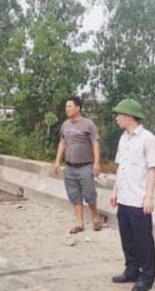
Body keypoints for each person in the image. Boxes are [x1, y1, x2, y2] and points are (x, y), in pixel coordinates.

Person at [110, 99, 155, 291]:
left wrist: (149, 197)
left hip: (139, 200)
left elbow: (153, 169)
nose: (117, 118)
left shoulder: (148, 139)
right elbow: (121, 166)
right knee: (127, 238)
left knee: (143, 240)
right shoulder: (124, 138)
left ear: (129, 117)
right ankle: (131, 270)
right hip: (124, 198)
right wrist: (115, 190)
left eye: (119, 115)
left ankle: (147, 277)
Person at [54, 96, 102, 234]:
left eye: (69, 106)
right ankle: (79, 223)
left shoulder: (88, 124)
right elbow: (62, 143)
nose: (66, 109)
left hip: (85, 166)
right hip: (69, 167)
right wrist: (57, 161)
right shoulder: (65, 125)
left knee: (89, 194)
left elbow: (95, 143)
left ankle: (95, 217)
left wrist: (97, 163)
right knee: (74, 195)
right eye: (66, 107)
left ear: (78, 108)